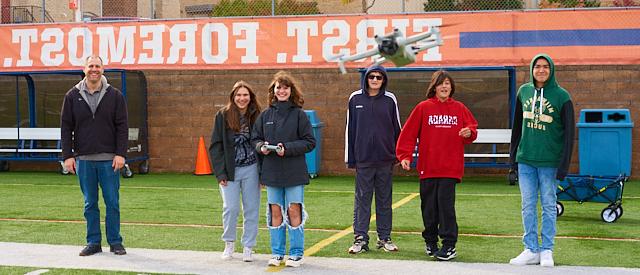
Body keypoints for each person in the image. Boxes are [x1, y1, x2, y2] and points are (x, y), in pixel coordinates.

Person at [395, 70, 478, 261]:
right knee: (429, 208)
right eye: (441, 83)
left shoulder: (459, 108)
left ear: (452, 87)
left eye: (448, 83)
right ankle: (430, 242)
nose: (444, 86)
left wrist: (469, 133)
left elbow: (472, 129)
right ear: (434, 86)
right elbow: (408, 133)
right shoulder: (423, 108)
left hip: (450, 168)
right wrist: (404, 155)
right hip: (428, 167)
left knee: (446, 208)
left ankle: (449, 246)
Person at [508, 54, 575, 267]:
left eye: (546, 67)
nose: (541, 70)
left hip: (549, 162)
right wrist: (513, 160)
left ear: (552, 70)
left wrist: (563, 165)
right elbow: (517, 127)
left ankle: (547, 250)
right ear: (532, 69)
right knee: (527, 206)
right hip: (525, 159)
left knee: (548, 205)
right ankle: (531, 249)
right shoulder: (523, 92)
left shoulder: (562, 97)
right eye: (538, 67)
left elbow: (569, 133)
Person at [61, 55, 128, 256]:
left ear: (103, 69)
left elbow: (122, 127)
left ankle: (115, 242)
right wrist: (68, 156)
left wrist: (120, 154)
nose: (94, 69)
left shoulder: (115, 95)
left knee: (112, 202)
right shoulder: (72, 96)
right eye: (90, 66)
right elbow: (66, 127)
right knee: (90, 203)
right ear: (84, 69)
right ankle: (93, 242)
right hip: (84, 160)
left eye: (97, 66)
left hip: (109, 160)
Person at [252, 71, 315, 268]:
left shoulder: (300, 115)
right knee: (275, 210)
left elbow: (309, 142)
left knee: (294, 209)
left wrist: (286, 149)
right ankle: (277, 253)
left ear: (291, 90)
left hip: (294, 171)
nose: (282, 90)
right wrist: (261, 146)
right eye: (278, 87)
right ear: (273, 91)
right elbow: (255, 139)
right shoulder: (265, 115)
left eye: (285, 87)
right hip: (271, 172)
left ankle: (296, 253)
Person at [345, 65, 401, 254]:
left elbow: (397, 128)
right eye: (372, 77)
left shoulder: (390, 99)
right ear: (366, 78)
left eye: (379, 77)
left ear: (384, 80)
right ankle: (360, 238)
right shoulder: (355, 99)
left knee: (385, 200)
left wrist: (398, 154)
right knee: (362, 200)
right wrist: (351, 158)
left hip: (385, 159)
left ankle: (384, 237)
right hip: (364, 160)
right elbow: (350, 130)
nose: (375, 80)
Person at [209, 81, 262, 262]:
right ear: (233, 97)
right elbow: (215, 146)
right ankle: (229, 243)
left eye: (245, 95)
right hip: (230, 171)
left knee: (252, 209)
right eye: (238, 95)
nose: (242, 98)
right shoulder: (222, 115)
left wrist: (263, 174)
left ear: (250, 97)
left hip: (252, 168)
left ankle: (248, 246)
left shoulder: (257, 115)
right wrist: (220, 173)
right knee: (230, 208)